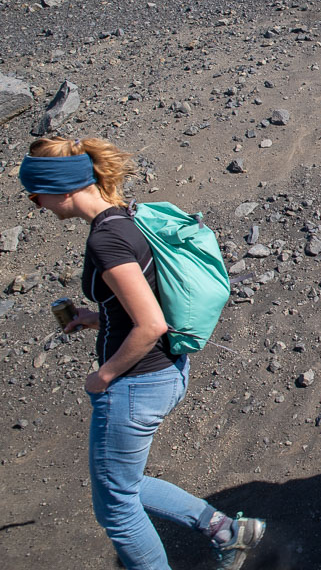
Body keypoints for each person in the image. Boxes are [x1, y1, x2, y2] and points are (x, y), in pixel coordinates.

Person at [19, 136, 266, 570]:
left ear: (59, 186)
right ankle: (227, 530)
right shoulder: (126, 221)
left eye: (34, 194)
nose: (35, 205)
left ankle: (219, 533)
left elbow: (150, 324)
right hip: (166, 371)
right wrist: (95, 318)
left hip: (136, 384)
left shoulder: (106, 240)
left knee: (116, 509)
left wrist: (104, 376)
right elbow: (145, 304)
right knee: (121, 485)